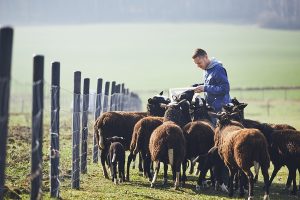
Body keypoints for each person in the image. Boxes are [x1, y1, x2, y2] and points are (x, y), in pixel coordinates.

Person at [192, 48, 231, 113]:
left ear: (206, 57)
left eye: (199, 63)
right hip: (211, 108)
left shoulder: (218, 69)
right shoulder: (206, 70)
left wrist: (205, 88)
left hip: (221, 110)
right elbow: (212, 84)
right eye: (196, 64)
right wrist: (198, 86)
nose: (198, 66)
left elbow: (225, 89)